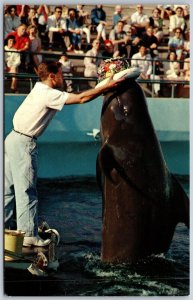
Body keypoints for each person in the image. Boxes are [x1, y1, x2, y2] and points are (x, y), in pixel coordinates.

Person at [4, 61, 125, 247]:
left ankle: (5, 228)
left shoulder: (38, 89)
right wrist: (107, 87)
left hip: (11, 139)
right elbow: (81, 99)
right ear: (52, 76)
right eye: (61, 74)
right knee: (27, 191)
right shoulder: (48, 94)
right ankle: (28, 237)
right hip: (24, 143)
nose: (64, 77)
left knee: (8, 191)